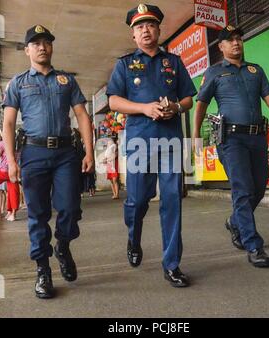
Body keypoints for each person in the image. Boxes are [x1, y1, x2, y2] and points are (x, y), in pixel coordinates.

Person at [107, 4, 196, 287]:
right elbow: (113, 102)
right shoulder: (124, 64)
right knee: (137, 200)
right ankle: (134, 238)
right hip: (138, 143)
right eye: (140, 26)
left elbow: (188, 99)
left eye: (150, 25)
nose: (146, 30)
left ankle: (172, 264)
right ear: (133, 34)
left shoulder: (174, 62)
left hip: (170, 141)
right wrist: (144, 108)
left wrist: (176, 108)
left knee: (172, 201)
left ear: (158, 30)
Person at [2, 24, 94, 299]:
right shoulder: (18, 83)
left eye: (47, 42)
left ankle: (62, 245)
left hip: (66, 154)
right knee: (38, 214)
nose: (43, 47)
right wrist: (12, 162)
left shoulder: (66, 81)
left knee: (69, 207)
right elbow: (7, 123)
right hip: (33, 154)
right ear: (27, 50)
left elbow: (82, 116)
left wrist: (89, 152)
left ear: (51, 47)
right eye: (36, 43)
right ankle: (43, 269)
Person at [193, 25, 269, 268]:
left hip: (257, 137)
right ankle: (253, 244)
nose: (236, 43)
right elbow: (202, 104)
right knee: (243, 188)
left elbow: (268, 94)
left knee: (259, 186)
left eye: (238, 39)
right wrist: (195, 134)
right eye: (230, 40)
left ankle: (235, 221)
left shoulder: (255, 70)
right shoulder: (214, 72)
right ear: (221, 47)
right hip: (231, 139)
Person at [0, 132, 20, 221]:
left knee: (12, 191)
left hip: (3, 171)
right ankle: (12, 213)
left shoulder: (2, 143)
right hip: (13, 172)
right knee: (13, 191)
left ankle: (10, 212)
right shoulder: (19, 147)